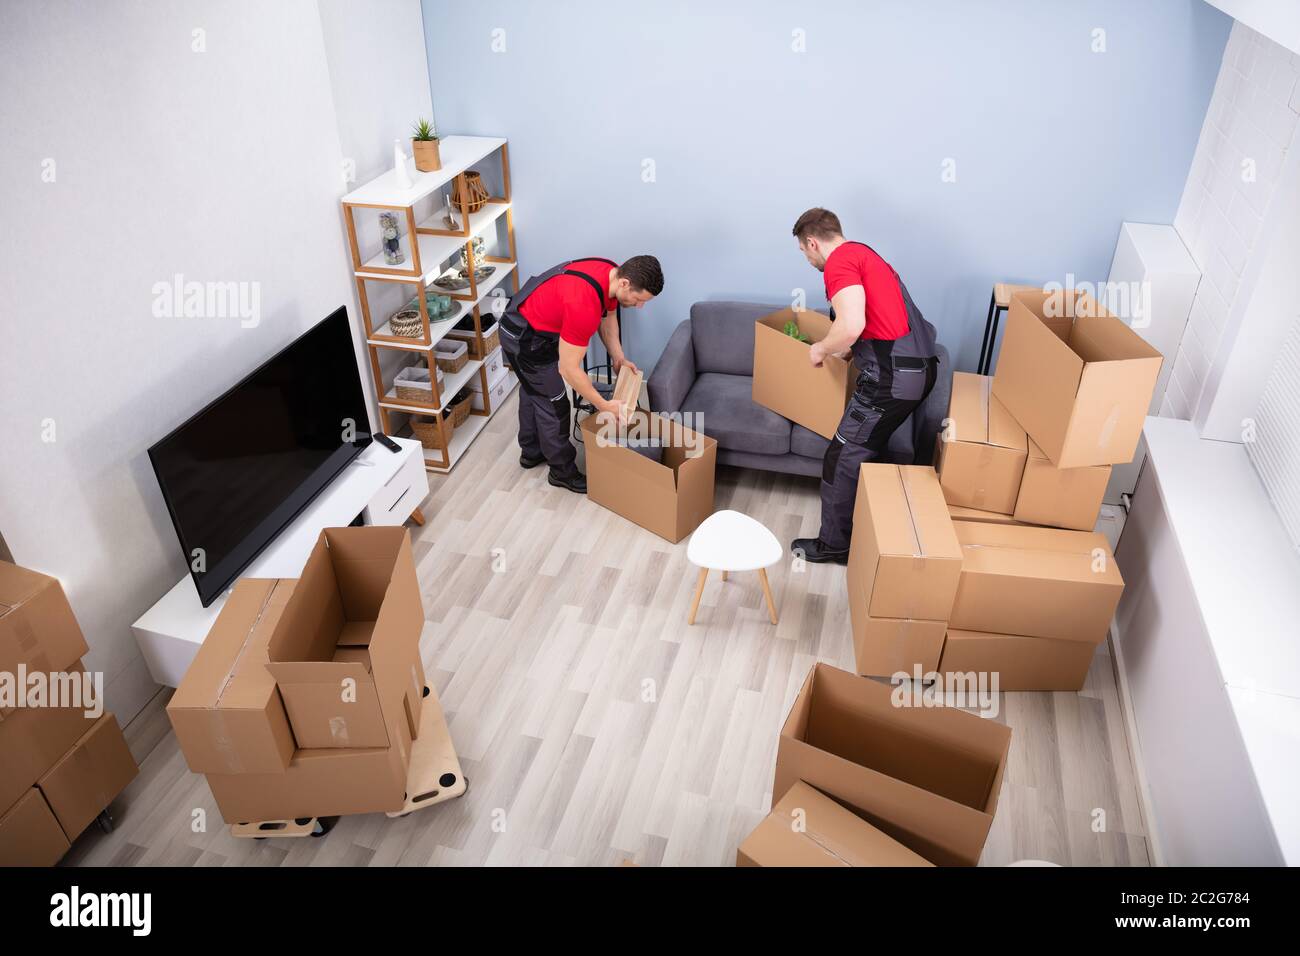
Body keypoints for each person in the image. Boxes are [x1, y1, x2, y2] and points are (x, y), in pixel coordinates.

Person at [788, 208, 940, 563]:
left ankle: (835, 547)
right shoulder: (864, 254)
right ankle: (876, 531)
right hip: (919, 371)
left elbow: (853, 322)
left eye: (804, 252)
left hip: (892, 382)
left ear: (812, 242)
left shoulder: (839, 263)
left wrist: (821, 349)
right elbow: (881, 319)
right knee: (869, 451)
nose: (808, 259)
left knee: (841, 458)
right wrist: (851, 352)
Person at [498, 254, 664, 493]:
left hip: (532, 325)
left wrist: (618, 357)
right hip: (524, 338)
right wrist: (604, 405)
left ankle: (531, 452)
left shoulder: (610, 272)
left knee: (535, 390)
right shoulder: (583, 305)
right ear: (625, 283)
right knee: (555, 404)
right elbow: (569, 369)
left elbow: (607, 319)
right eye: (639, 299)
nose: (640, 306)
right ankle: (562, 471)